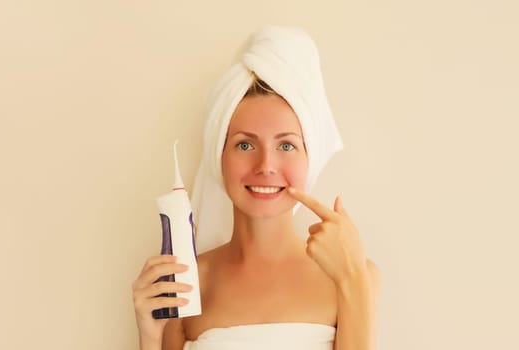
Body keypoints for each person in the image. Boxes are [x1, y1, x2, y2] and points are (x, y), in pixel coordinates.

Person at [132, 26, 380, 350]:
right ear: (219, 156)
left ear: (310, 158)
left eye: (287, 146)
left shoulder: (350, 274)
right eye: (245, 145)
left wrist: (353, 280)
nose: (266, 165)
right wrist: (149, 337)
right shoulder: (187, 282)